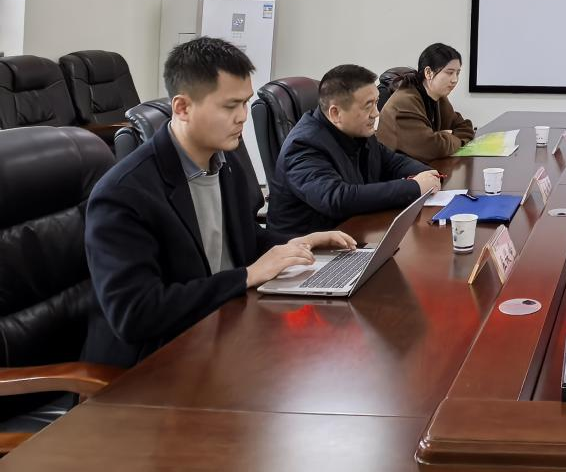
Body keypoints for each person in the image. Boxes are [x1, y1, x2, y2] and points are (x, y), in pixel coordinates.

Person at [83, 38, 354, 367]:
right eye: (230, 106)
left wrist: (298, 242)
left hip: (223, 330)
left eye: (246, 103)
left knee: (328, 353)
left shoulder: (226, 163)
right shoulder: (124, 193)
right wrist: (246, 276)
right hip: (154, 363)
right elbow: (136, 313)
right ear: (182, 108)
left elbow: (241, 238)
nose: (243, 117)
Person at [266, 64, 443, 239]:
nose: (376, 113)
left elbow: (391, 161)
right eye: (368, 106)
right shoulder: (303, 145)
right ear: (335, 113)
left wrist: (426, 173)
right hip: (306, 248)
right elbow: (337, 198)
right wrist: (414, 187)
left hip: (352, 232)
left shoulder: (358, 130)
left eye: (376, 103)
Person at [377, 43, 475, 162]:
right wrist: (448, 137)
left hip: (421, 165)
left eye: (457, 73)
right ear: (428, 73)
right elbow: (433, 148)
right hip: (395, 169)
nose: (455, 80)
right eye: (449, 72)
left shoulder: (439, 97)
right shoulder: (404, 102)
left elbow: (465, 127)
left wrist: (443, 137)